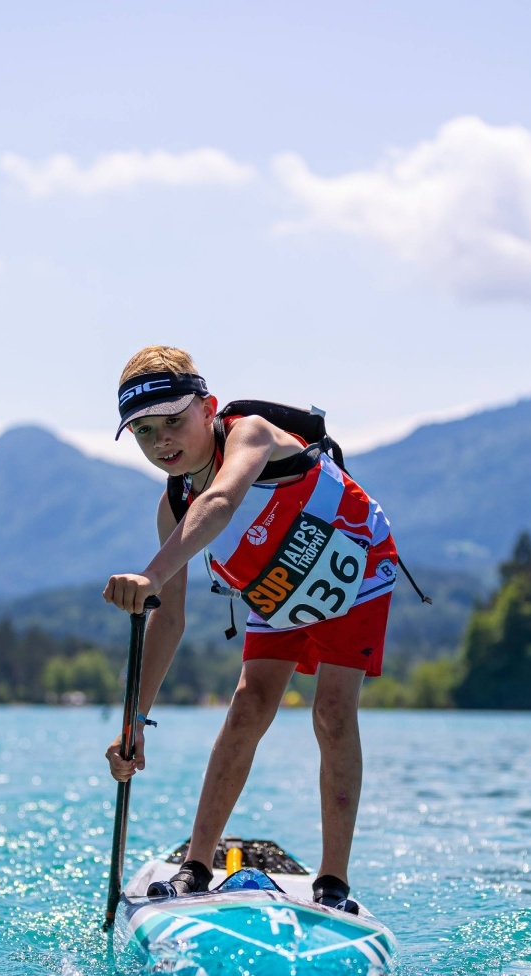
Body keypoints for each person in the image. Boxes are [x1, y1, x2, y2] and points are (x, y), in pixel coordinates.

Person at [104, 345, 397, 912]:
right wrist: (133, 722)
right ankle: (197, 864)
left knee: (332, 712)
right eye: (144, 432)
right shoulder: (172, 503)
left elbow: (220, 500)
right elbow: (170, 615)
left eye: (173, 422)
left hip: (354, 561)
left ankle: (333, 883)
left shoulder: (252, 434)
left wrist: (151, 572)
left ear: (208, 408)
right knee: (247, 703)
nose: (162, 441)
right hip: (276, 586)